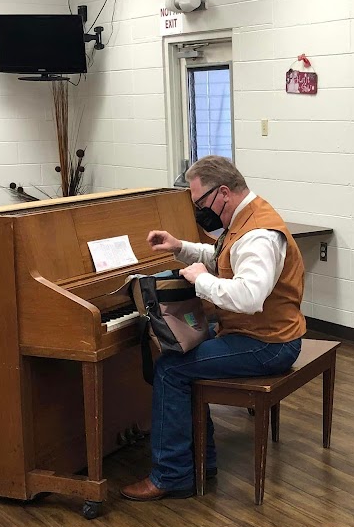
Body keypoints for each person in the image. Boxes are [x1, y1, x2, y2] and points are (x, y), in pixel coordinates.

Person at [120, 155, 306, 501]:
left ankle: (172, 475)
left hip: (269, 344)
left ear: (223, 193)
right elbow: (224, 255)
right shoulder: (247, 217)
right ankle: (199, 463)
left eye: (200, 203)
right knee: (183, 353)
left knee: (171, 368)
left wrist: (203, 281)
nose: (199, 211)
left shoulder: (259, 236)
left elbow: (250, 297)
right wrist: (181, 248)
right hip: (262, 335)